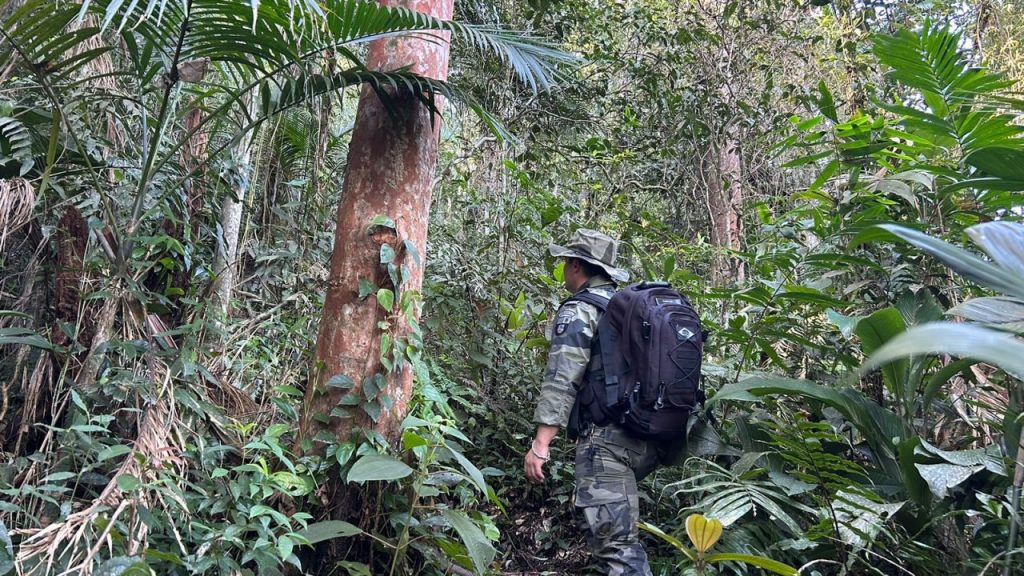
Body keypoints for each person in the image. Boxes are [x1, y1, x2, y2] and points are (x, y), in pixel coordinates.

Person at [524, 228, 659, 576]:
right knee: (618, 541)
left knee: (617, 551)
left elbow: (561, 378)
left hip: (606, 443)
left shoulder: (579, 312)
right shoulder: (628, 309)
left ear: (576, 265)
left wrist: (541, 444)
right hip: (646, 435)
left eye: (565, 262)